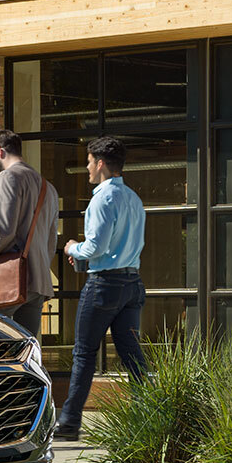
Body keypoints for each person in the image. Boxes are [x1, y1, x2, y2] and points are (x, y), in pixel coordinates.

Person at [57, 136, 147, 443]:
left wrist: (73, 247)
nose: (86, 168)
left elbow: (96, 247)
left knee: (84, 353)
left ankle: (69, 423)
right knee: (132, 355)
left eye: (88, 162)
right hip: (132, 284)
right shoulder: (134, 199)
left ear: (101, 163)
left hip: (104, 286)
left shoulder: (102, 199)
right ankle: (149, 415)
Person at [0, 129, 58, 336]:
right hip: (38, 282)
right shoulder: (48, 187)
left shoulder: (8, 177)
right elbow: (51, 241)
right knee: (26, 346)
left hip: (10, 280)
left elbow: (3, 231)